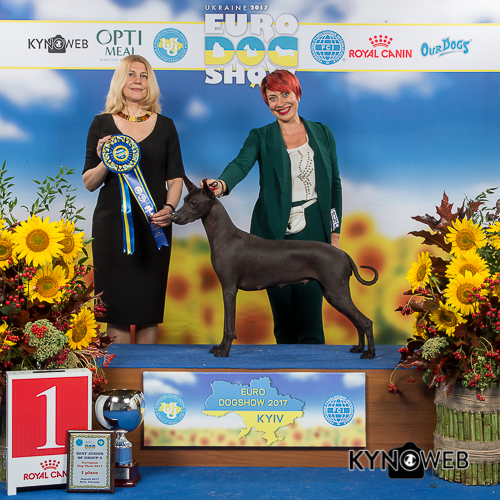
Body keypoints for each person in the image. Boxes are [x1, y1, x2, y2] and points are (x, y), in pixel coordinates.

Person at [205, 70, 342, 345]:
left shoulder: (323, 132)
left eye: (285, 94)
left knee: (311, 315)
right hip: (270, 233)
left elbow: (334, 185)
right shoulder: (260, 136)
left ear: (297, 93)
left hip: (314, 228)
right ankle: (285, 366)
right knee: (283, 318)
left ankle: (314, 366)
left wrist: (334, 233)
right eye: (272, 98)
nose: (280, 103)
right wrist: (221, 184)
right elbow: (241, 163)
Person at [83, 55, 184, 344]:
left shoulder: (166, 126)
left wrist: (169, 208)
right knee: (115, 310)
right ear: (120, 81)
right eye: (131, 74)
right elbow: (89, 182)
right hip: (111, 230)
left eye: (143, 75)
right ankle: (119, 374)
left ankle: (144, 374)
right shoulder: (101, 124)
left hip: (155, 227)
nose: (137, 80)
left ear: (150, 83)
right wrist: (106, 161)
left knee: (147, 311)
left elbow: (175, 178)